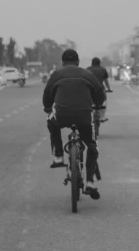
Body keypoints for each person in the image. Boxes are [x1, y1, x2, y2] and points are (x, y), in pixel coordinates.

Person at [43, 49, 106, 200]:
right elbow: (100, 95)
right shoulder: (87, 74)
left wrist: (47, 107)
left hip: (62, 115)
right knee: (91, 146)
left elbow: (47, 95)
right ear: (78, 62)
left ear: (63, 62)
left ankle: (58, 156)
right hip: (84, 116)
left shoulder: (56, 74)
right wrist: (97, 104)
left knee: (51, 122)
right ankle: (90, 182)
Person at [87, 57, 111, 121]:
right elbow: (106, 81)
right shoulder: (103, 69)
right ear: (99, 63)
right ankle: (103, 116)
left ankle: (88, 116)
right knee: (104, 100)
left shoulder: (87, 69)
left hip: (90, 88)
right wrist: (109, 89)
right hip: (100, 89)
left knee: (87, 101)